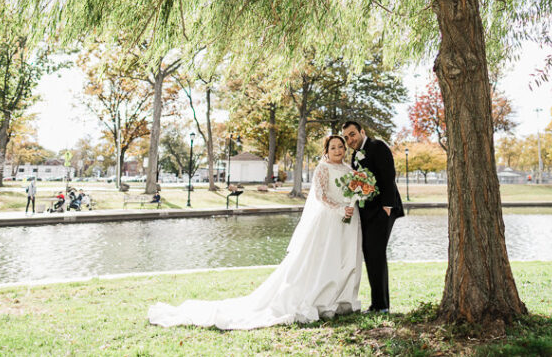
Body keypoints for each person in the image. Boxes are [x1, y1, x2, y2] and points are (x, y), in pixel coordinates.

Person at [148, 135, 362, 329]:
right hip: (327, 221)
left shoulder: (349, 170)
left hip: (347, 221)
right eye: (332, 147)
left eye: (340, 146)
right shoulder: (322, 168)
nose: (337, 150)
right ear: (326, 150)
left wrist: (353, 202)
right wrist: (340, 208)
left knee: (339, 259)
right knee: (321, 259)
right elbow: (320, 195)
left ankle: (335, 300)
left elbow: (352, 191)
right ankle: (318, 299)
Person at [341, 120, 404, 313]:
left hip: (383, 210)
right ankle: (378, 303)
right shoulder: (354, 156)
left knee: (376, 253)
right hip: (366, 211)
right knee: (370, 254)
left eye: (352, 134)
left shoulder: (377, 146)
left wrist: (387, 206)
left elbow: (388, 175)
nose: (350, 139)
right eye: (346, 137)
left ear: (362, 131)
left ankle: (382, 305)